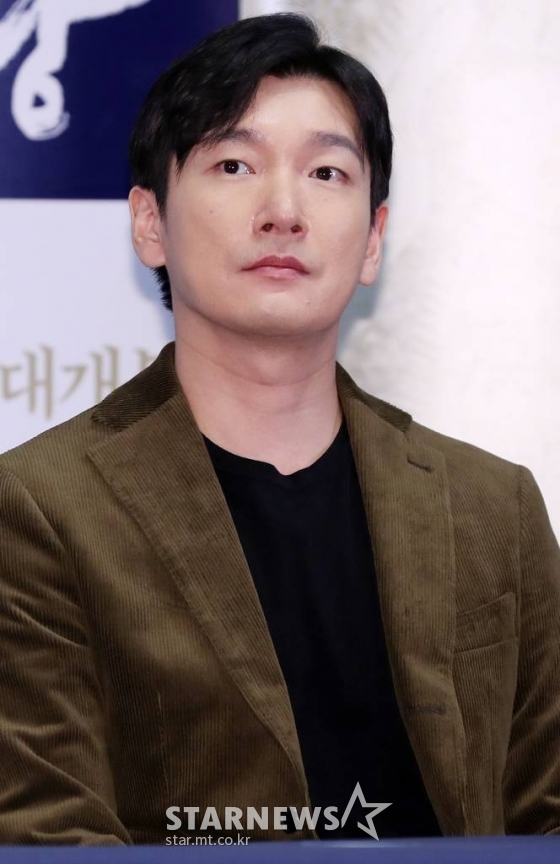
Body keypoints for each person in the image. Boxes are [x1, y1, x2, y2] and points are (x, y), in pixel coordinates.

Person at [0, 12, 559, 846]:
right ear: (150, 223)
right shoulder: (37, 509)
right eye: (234, 164)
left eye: (327, 172)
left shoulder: (493, 509)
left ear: (372, 239)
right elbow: (48, 835)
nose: (284, 210)